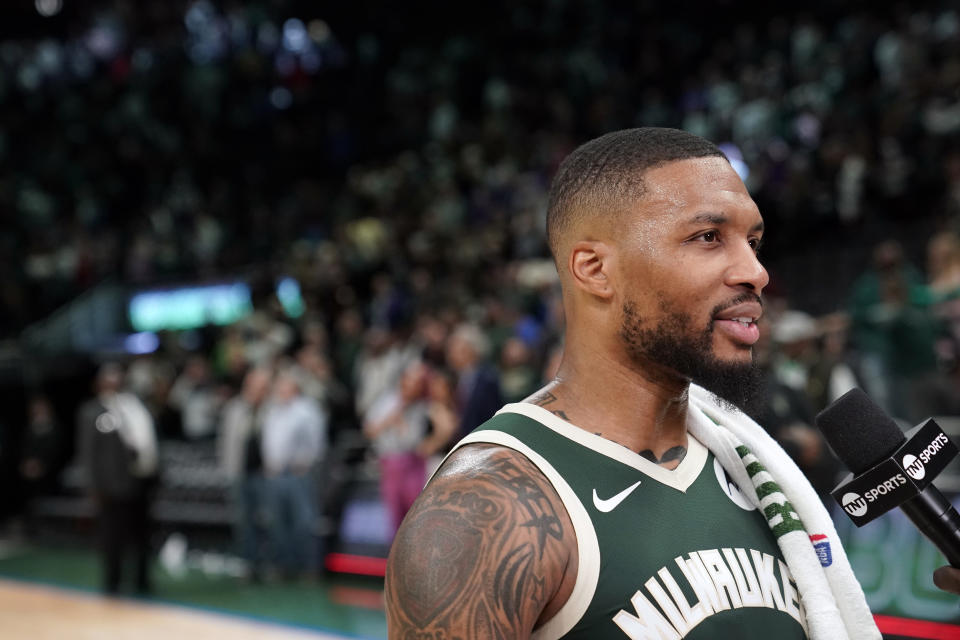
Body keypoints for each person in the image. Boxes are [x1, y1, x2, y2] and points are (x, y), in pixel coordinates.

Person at [386, 128, 881, 639]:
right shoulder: (484, 509)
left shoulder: (753, 469)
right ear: (595, 270)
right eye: (708, 237)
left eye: (753, 242)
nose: (755, 272)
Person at [77, 363, 158, 596]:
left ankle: (142, 580)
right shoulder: (92, 411)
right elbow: (88, 453)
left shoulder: (134, 405)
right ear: (99, 383)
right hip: (112, 487)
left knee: (142, 535)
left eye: (117, 377)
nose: (114, 382)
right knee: (113, 538)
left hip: (142, 480)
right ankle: (112, 583)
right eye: (109, 378)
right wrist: (93, 487)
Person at [217, 367, 272, 581]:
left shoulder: (271, 409)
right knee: (243, 521)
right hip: (240, 472)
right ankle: (247, 564)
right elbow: (225, 442)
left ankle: (267, 564)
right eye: (257, 387)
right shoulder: (235, 409)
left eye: (264, 388)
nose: (261, 391)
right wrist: (227, 470)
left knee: (266, 520)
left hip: (264, 474)